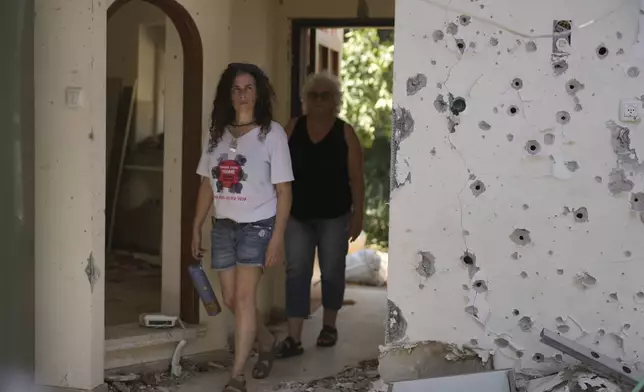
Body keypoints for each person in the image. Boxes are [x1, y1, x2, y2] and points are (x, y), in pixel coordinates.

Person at [191, 63, 293, 392]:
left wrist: (277, 235)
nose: (243, 94)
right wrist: (196, 225)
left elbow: (283, 190)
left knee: (245, 298)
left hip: (258, 226)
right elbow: (207, 183)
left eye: (249, 88)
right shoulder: (217, 134)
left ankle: (237, 376)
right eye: (236, 88)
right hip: (223, 225)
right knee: (232, 299)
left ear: (259, 92)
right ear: (228, 94)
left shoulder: (272, 133)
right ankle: (266, 341)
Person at [276, 71, 364, 358]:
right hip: (297, 215)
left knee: (332, 270)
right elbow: (275, 168)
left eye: (325, 95)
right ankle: (294, 338)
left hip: (335, 215)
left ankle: (329, 326)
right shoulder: (292, 128)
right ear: (305, 100)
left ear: (335, 100)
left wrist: (358, 214)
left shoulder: (345, 132)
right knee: (296, 271)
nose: (318, 100)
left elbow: (357, 178)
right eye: (313, 95)